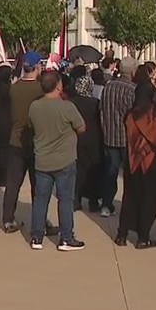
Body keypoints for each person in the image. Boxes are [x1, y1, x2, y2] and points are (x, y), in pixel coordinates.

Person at [27, 70, 87, 250]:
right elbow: (82, 127)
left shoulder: (34, 107)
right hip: (65, 160)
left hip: (42, 160)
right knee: (65, 199)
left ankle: (37, 237)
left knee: (40, 199)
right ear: (58, 86)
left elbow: (31, 126)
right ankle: (66, 238)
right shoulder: (67, 107)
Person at [115, 65, 156, 249]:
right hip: (149, 161)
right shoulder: (154, 115)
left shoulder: (130, 115)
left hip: (132, 159)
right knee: (150, 198)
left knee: (130, 197)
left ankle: (122, 234)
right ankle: (143, 236)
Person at [1, 51, 48, 233]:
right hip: (35, 140)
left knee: (13, 184)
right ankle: (40, 221)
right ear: (37, 67)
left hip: (15, 140)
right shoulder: (40, 89)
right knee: (39, 186)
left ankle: (7, 219)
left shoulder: (14, 88)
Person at [97, 57, 137, 218]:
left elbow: (101, 109)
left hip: (109, 135)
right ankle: (129, 206)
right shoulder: (132, 89)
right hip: (125, 137)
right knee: (128, 173)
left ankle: (106, 204)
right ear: (132, 71)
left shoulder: (108, 86)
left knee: (110, 172)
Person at [65, 72, 103, 212]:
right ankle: (93, 201)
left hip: (76, 139)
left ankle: (76, 200)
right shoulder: (95, 103)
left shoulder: (71, 103)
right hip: (94, 139)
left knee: (77, 171)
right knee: (93, 171)